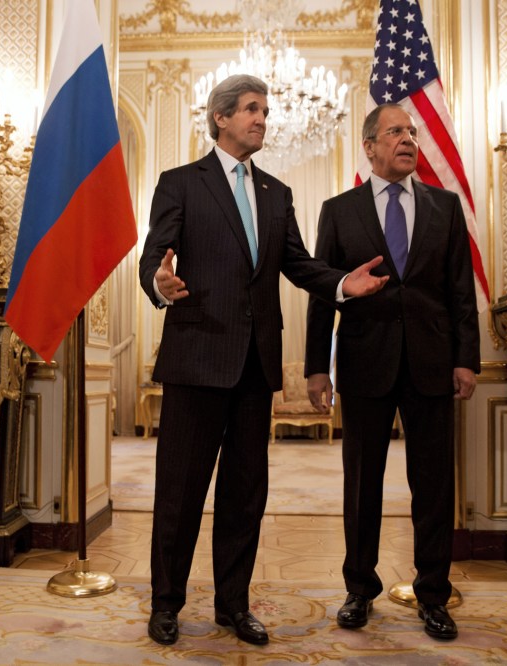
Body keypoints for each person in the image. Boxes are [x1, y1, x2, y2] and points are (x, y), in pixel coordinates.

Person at [137, 74, 388, 647]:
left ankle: (233, 605)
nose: (262, 119)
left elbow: (299, 264)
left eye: (266, 112)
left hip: (255, 367)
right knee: (180, 492)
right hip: (197, 358)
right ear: (221, 117)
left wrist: (343, 283)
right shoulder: (181, 182)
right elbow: (156, 253)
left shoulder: (277, 193)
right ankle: (166, 603)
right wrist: (159, 280)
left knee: (245, 494)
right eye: (252, 109)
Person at [305, 103, 480, 641]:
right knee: (363, 484)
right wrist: (317, 368)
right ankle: (360, 588)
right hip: (364, 364)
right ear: (370, 146)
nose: (408, 139)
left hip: (431, 364)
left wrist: (465, 358)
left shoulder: (445, 207)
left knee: (432, 485)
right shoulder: (339, 210)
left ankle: (434, 594)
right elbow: (323, 294)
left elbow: (458, 292)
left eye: (412, 131)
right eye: (396, 132)